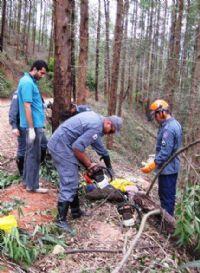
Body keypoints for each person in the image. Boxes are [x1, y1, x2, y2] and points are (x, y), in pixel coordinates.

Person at [47, 111, 123, 231]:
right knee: (70, 180)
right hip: (60, 146)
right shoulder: (96, 126)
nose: (110, 134)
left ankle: (76, 212)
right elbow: (77, 148)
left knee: (73, 178)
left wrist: (109, 166)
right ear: (108, 122)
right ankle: (60, 220)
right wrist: (89, 165)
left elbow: (99, 147)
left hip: (64, 144)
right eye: (112, 130)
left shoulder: (98, 122)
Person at [141, 99, 182, 216]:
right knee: (167, 196)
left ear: (162, 112)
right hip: (170, 166)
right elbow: (170, 148)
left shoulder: (168, 128)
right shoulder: (173, 124)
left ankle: (167, 226)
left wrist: (153, 164)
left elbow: (165, 151)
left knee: (167, 198)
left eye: (156, 115)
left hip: (167, 169)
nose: (155, 118)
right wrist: (155, 157)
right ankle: (167, 220)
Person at [17, 60, 48, 193]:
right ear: (34, 69)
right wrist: (31, 129)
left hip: (34, 124)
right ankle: (32, 186)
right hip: (33, 125)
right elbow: (27, 106)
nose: (42, 76)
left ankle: (27, 181)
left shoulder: (30, 81)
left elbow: (33, 103)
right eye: (41, 73)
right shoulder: (28, 83)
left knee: (29, 154)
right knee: (34, 155)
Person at [60, 103, 114, 174]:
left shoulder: (87, 114)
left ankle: (109, 168)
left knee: (101, 150)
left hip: (89, 131)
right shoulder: (82, 113)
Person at [9, 90, 48, 176]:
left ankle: (35, 167)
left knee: (43, 145)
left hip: (36, 125)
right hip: (22, 125)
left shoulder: (34, 90)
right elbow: (13, 110)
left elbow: (40, 106)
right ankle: (23, 175)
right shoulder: (18, 93)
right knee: (23, 149)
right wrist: (14, 126)